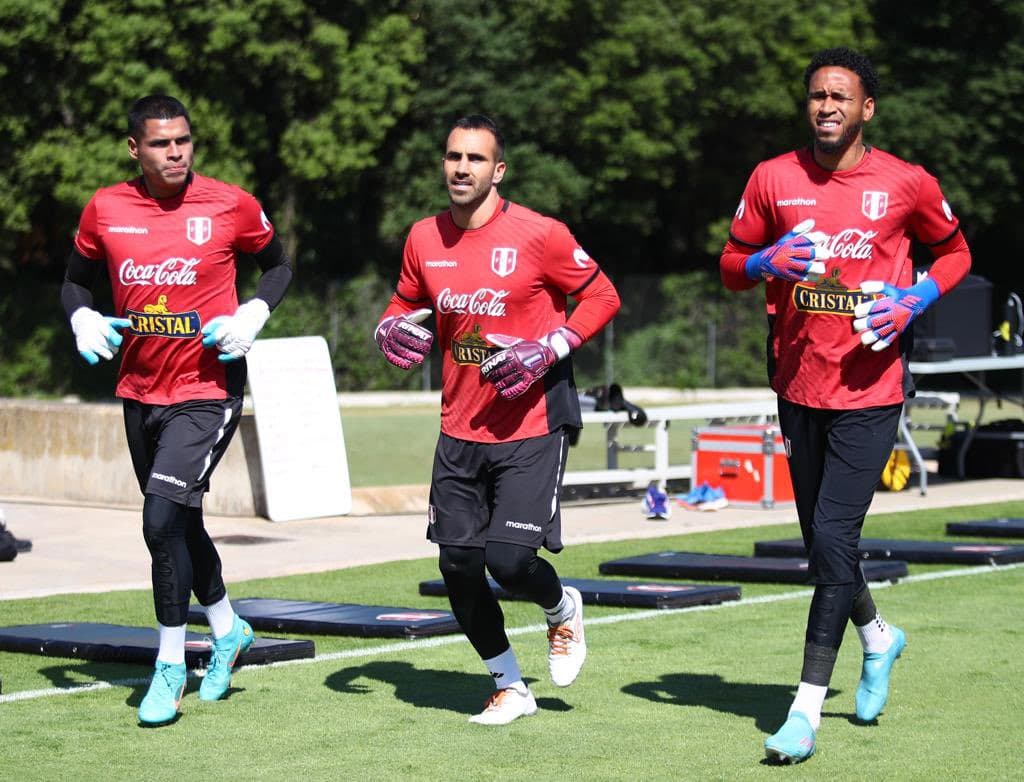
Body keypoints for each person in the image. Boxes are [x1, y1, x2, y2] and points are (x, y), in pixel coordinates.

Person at [720, 48, 971, 763]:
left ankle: (803, 712)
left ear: (867, 109)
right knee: (822, 545)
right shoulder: (773, 177)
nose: (825, 106)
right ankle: (879, 637)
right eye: (815, 96)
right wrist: (764, 263)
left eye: (839, 96)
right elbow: (731, 265)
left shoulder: (906, 182)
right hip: (798, 385)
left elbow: (954, 254)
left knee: (833, 538)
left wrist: (916, 299)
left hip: (871, 390)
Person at [375, 115, 620, 725]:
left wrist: (551, 347)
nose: (462, 168)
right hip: (459, 428)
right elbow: (406, 301)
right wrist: (388, 325)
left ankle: (562, 608)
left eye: (476, 159)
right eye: (453, 157)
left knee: (509, 563)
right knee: (457, 564)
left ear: (498, 170)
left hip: (531, 426)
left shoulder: (541, 234)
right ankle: (510, 684)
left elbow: (604, 295)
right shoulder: (423, 237)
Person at [60, 95, 292, 726]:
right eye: (161, 143)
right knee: (179, 522)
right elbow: (75, 278)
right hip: (139, 391)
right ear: (135, 148)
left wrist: (254, 313)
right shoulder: (106, 207)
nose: (176, 152)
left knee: (160, 522)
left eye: (184, 140)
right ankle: (228, 629)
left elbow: (278, 266)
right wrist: (80, 316)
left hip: (207, 389)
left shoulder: (230, 202)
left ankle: (169, 666)